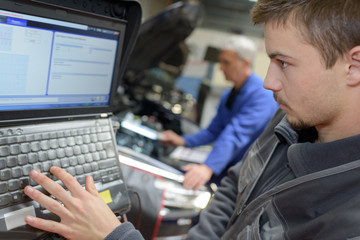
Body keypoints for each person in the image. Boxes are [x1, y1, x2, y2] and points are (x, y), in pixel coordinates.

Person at [24, 0, 360, 239]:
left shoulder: (348, 221)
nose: (270, 82)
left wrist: (113, 235)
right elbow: (236, 185)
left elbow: (232, 137)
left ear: (353, 66)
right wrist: (185, 143)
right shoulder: (293, 115)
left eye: (284, 62)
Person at [161, 35, 277, 190]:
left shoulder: (262, 97)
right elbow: (213, 131)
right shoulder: (229, 95)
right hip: (228, 165)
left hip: (249, 176)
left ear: (245, 63)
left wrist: (207, 168)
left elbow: (235, 134)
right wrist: (183, 141)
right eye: (220, 61)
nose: (220, 67)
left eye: (226, 62)